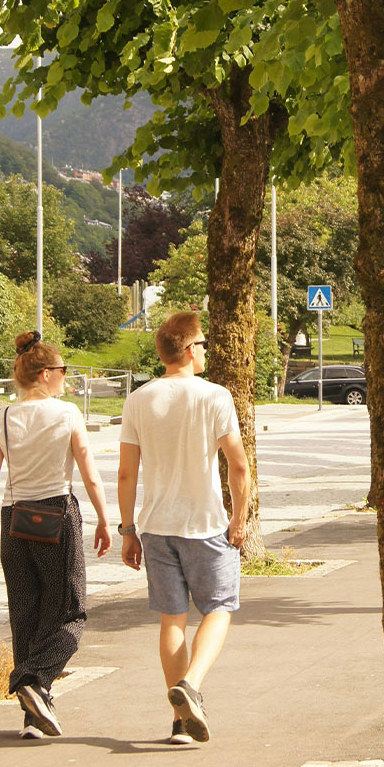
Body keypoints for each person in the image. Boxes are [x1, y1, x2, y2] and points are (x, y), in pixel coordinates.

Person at [0, 331, 111, 739]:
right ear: (46, 374)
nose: (66, 377)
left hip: (14, 520)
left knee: (25, 616)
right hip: (56, 515)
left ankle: (34, 716)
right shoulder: (66, 414)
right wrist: (105, 519)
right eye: (63, 371)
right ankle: (33, 678)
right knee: (69, 612)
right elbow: (89, 474)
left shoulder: (2, 417)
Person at [118, 312, 250, 744]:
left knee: (171, 620)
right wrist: (239, 518)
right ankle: (190, 686)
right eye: (204, 344)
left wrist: (127, 529)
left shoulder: (139, 399)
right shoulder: (215, 396)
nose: (206, 351)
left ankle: (179, 724)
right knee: (219, 608)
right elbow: (238, 465)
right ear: (191, 350)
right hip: (205, 524)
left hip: (156, 526)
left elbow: (125, 474)